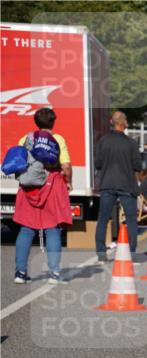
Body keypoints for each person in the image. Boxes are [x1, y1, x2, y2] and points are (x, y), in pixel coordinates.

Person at [12, 107, 73, 284]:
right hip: (51, 185)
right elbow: (66, 166)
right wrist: (69, 182)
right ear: (53, 122)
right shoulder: (57, 139)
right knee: (52, 228)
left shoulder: (25, 138)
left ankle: (20, 273)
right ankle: (54, 274)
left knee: (26, 229)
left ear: (36, 122)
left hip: (28, 187)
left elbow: (19, 162)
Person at [94, 111, 143, 259]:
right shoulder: (131, 143)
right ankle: (132, 253)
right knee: (131, 220)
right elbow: (137, 166)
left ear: (111, 122)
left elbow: (98, 164)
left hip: (107, 183)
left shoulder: (103, 141)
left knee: (103, 218)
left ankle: (101, 253)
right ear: (125, 123)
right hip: (127, 184)